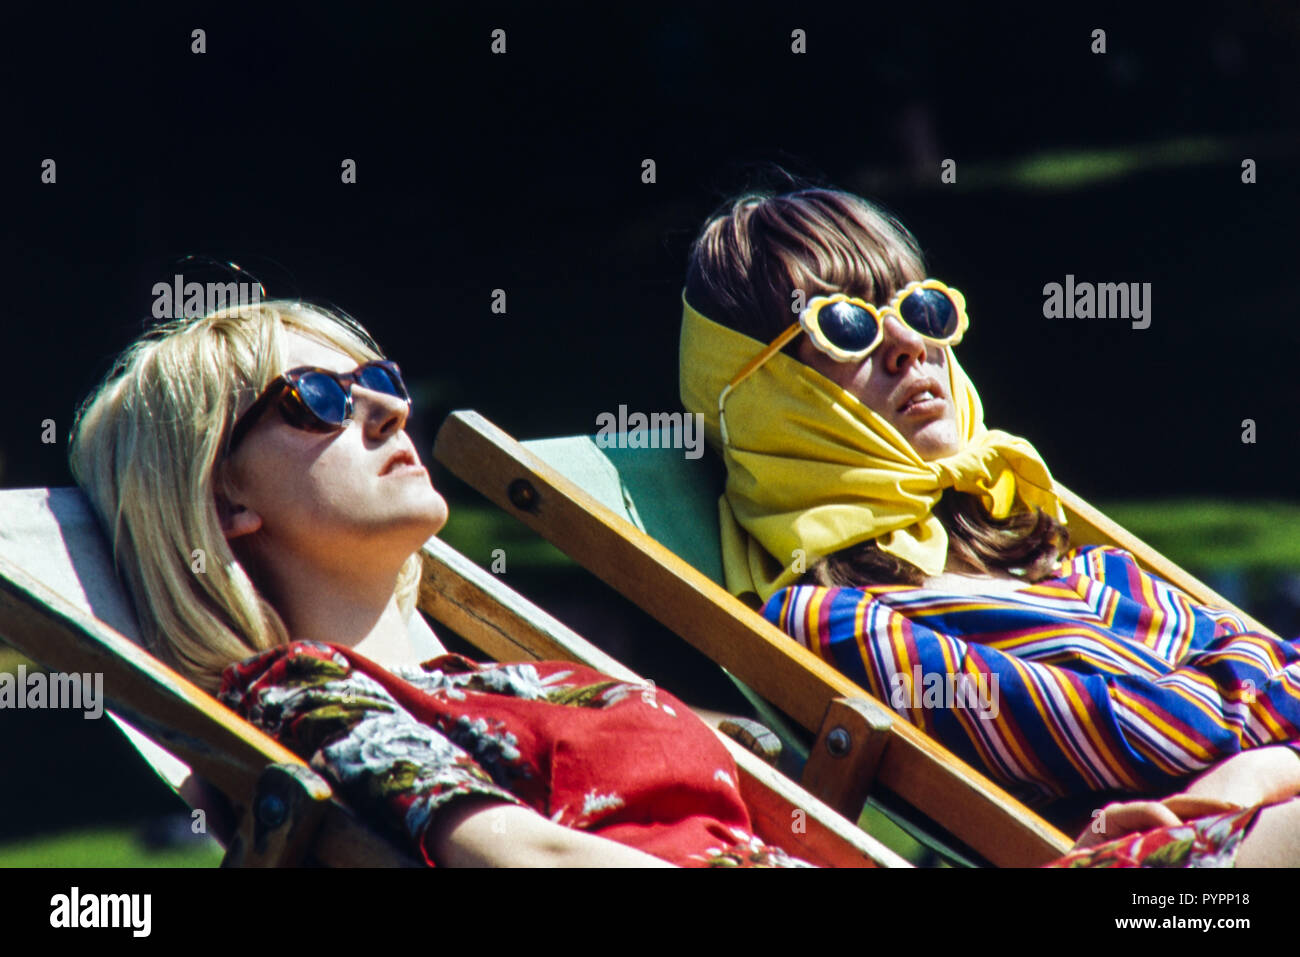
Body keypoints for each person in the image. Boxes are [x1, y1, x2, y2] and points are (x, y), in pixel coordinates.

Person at [678, 186, 1300, 865]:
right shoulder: (836, 623)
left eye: (921, 308)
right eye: (847, 325)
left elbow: (1266, 679)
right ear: (763, 393)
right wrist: (1253, 759)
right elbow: (1149, 733)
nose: (909, 345)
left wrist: (1258, 772)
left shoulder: (1067, 563)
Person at [68, 298, 808, 868]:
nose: (393, 409)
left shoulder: (482, 684)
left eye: (379, 381)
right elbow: (528, 858)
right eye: (317, 397)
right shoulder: (301, 702)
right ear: (225, 497)